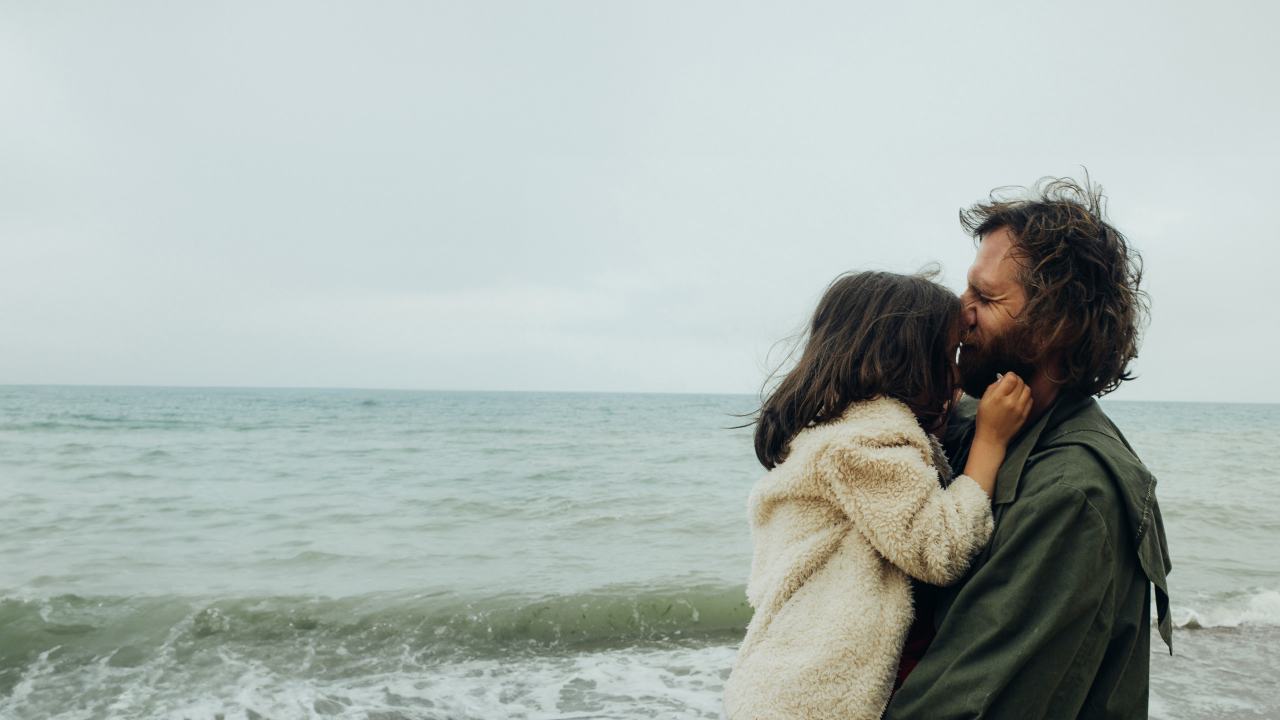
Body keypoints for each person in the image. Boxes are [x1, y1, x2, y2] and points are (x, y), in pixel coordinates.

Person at [884, 178, 1173, 719]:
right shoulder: (968, 421)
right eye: (967, 289)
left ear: (1055, 332)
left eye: (986, 298)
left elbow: (959, 706)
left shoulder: (1072, 494)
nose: (958, 312)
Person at [723, 270, 1032, 720]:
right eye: (949, 358)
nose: (957, 377)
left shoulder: (834, 431)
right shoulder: (866, 443)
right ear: (907, 363)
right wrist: (989, 442)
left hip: (779, 687)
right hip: (812, 702)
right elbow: (940, 548)